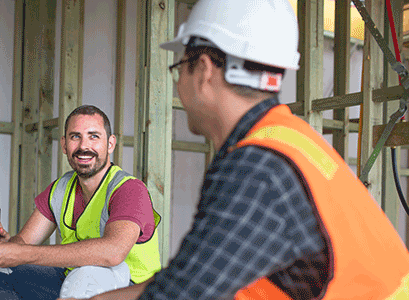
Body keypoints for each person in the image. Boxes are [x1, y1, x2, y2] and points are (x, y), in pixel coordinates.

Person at [60, 0, 409, 299]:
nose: (178, 84)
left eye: (178, 68)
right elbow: (191, 277)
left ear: (204, 71)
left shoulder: (256, 166)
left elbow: (182, 295)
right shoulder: (286, 139)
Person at [0, 105, 162, 299]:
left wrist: (23, 253)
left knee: (85, 277)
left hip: (131, 290)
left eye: (94, 136)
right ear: (64, 145)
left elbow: (113, 253)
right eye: (75, 137)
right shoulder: (61, 188)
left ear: (110, 144)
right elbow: (24, 242)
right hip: (76, 282)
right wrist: (8, 247)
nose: (83, 146)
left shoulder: (128, 189)